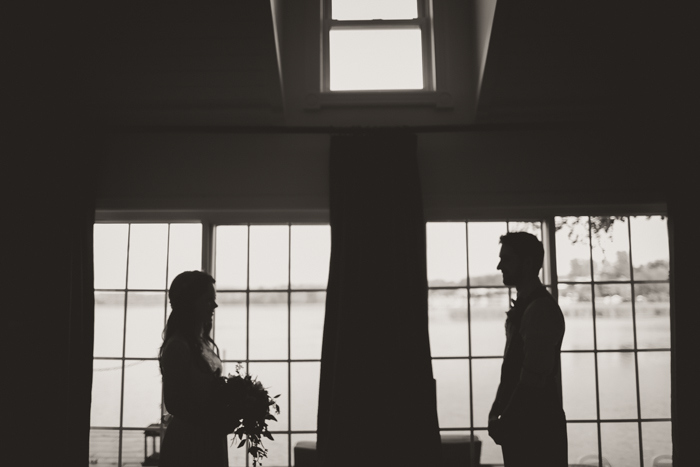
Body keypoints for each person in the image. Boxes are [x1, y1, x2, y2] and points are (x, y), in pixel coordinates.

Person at [488, 232, 568, 466]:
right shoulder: (528, 307)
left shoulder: (540, 310)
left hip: (536, 426)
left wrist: (505, 420)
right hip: (522, 422)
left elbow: (532, 379)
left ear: (528, 263)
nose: (499, 265)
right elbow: (512, 369)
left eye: (507, 259)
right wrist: (496, 411)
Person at [158, 271, 238, 467]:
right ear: (190, 304)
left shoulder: (199, 342)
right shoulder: (178, 346)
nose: (215, 305)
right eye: (208, 300)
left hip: (208, 437)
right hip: (190, 443)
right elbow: (174, 404)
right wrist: (217, 420)